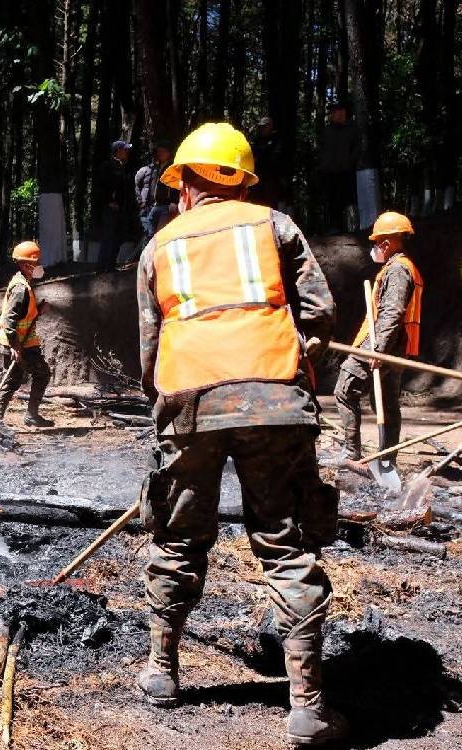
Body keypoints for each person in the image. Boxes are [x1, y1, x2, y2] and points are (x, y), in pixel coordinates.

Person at [136, 122, 346, 745]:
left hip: (189, 405)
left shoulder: (159, 246)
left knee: (177, 535)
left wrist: (165, 405)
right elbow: (322, 312)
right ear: (242, 182)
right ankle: (306, 705)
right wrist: (303, 359)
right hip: (274, 402)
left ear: (186, 185)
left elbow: (149, 346)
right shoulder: (275, 226)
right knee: (285, 542)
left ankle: (162, 670)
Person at [334, 212, 422, 462]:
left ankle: (351, 453)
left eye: (378, 242)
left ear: (388, 242)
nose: (376, 247)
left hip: (384, 344)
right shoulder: (401, 268)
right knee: (386, 400)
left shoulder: (397, 270)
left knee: (345, 388)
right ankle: (388, 459)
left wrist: (377, 349)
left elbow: (392, 313)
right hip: (397, 346)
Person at [0, 241, 53, 430]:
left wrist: (38, 311)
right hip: (18, 343)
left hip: (22, 342)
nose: (40, 266)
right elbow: (9, 320)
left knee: (13, 380)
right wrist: (15, 346)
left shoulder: (23, 283)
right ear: (26, 265)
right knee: (40, 373)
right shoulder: (20, 288)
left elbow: (24, 314)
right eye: (36, 262)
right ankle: (22, 416)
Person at [318, 102, 361, 233]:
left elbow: (357, 148)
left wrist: (350, 162)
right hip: (329, 171)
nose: (338, 114)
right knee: (331, 200)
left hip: (346, 171)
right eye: (336, 112)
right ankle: (333, 226)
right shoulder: (327, 130)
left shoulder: (351, 129)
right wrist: (322, 165)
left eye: (341, 112)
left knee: (347, 198)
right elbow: (321, 149)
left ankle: (351, 226)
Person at [134, 140, 178, 251]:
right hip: (154, 204)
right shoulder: (156, 167)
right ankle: (148, 255)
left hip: (167, 205)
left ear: (168, 153)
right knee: (149, 229)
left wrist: (174, 201)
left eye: (163, 152)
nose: (160, 154)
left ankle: (158, 255)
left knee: (161, 231)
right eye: (159, 152)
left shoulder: (172, 167)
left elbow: (175, 185)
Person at [96, 140, 132, 271]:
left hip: (122, 208)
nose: (127, 152)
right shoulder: (107, 166)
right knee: (108, 237)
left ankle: (111, 266)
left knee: (118, 237)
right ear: (118, 151)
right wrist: (109, 201)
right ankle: (101, 267)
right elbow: (101, 187)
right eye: (125, 150)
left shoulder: (124, 166)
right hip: (110, 208)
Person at [249, 116, 287, 211]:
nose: (262, 129)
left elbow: (276, 159)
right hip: (258, 179)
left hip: (271, 179)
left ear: (270, 126)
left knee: (271, 206)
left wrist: (262, 157)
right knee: (257, 204)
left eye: (265, 126)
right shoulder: (256, 140)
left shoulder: (276, 140)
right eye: (261, 127)